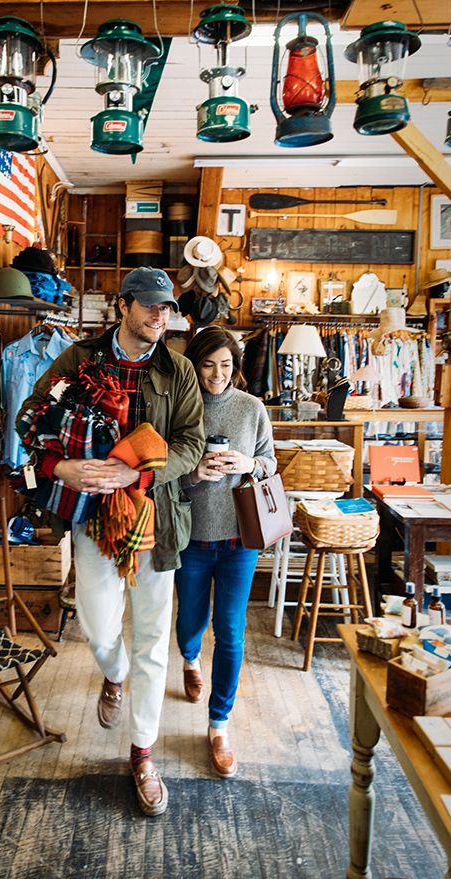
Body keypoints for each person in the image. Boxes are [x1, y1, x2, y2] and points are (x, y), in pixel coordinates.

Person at [17, 267, 204, 816]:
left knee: (152, 640)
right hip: (93, 517)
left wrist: (138, 475)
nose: (159, 316)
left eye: (166, 308)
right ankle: (113, 675)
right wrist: (63, 466)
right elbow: (30, 417)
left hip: (158, 520)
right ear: (123, 306)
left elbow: (191, 443)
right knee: (99, 628)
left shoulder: (180, 370)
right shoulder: (79, 361)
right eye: (149, 306)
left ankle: (143, 753)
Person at [176, 326, 276, 778]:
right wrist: (195, 475)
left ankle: (219, 726)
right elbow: (160, 474)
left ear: (236, 366)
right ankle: (191, 659)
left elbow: (270, 461)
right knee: (190, 623)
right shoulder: (180, 408)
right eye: (208, 364)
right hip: (192, 539)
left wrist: (248, 464)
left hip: (240, 538)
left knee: (231, 632)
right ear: (194, 365)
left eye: (226, 365)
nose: (217, 374)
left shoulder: (251, 408)